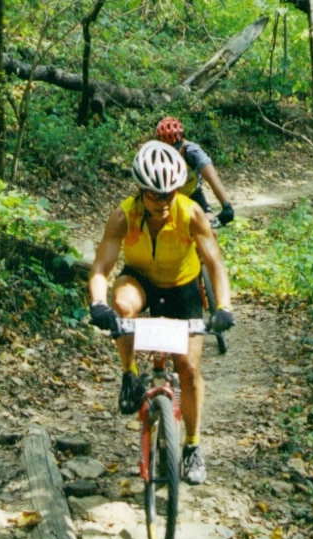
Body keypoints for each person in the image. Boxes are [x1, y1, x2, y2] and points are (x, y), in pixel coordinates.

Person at [88, 140, 235, 486]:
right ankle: (129, 374)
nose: (164, 201)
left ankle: (193, 445)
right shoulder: (125, 215)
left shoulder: (190, 213)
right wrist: (98, 304)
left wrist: (224, 307)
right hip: (140, 281)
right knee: (122, 306)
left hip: (183, 288)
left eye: (170, 193)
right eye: (156, 195)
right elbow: (100, 269)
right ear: (141, 191)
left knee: (188, 368)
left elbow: (215, 264)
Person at [155, 116, 235, 224]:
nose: (173, 154)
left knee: (209, 227)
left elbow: (212, 178)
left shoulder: (192, 152)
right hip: (168, 198)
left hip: (193, 194)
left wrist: (226, 205)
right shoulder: (154, 155)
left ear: (182, 141)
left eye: (175, 148)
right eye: (167, 150)